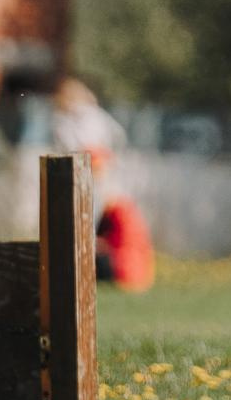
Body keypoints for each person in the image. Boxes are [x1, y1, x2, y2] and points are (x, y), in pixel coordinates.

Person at [50, 77, 154, 291]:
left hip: (91, 178)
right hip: (90, 177)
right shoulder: (88, 118)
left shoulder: (84, 119)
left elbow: (92, 152)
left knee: (85, 227)